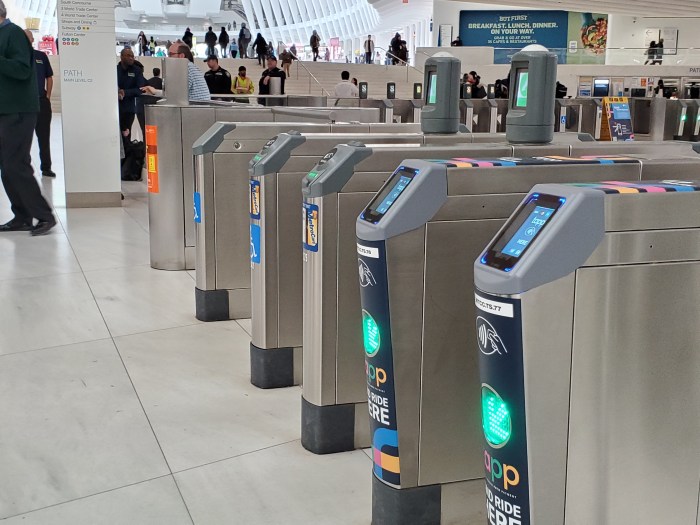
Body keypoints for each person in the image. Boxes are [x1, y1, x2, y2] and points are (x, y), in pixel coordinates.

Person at [0, 1, 56, 235]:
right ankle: (21, 216)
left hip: (20, 110)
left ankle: (44, 215)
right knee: (7, 165)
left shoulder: (13, 33)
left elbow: (23, 69)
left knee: (15, 163)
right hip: (6, 110)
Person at [25, 29, 55, 178]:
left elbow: (49, 77)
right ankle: (26, 167)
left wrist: (48, 96)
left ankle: (46, 167)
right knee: (25, 138)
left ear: (32, 40)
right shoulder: (17, 56)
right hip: (25, 105)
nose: (27, 40)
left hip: (42, 103)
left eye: (29, 37)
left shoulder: (41, 56)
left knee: (44, 137)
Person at [141, 42, 211, 102]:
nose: (168, 57)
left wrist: (155, 91)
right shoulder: (190, 67)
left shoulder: (185, 69)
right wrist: (155, 91)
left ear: (181, 56)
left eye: (170, 54)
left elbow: (175, 96)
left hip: (195, 112)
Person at [117, 47, 146, 148]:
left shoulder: (137, 71)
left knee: (126, 139)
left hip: (128, 111)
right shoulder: (114, 70)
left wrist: (125, 93)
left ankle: (126, 162)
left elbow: (141, 89)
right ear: (121, 57)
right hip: (114, 110)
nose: (131, 58)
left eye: (132, 56)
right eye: (128, 56)